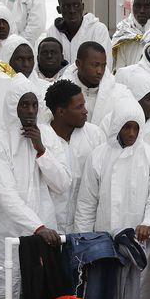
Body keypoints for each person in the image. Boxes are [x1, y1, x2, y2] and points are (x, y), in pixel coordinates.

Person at [0, 76, 71, 299]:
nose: (30, 111)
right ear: (12, 107)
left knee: (41, 297)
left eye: (34, 105)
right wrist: (37, 226)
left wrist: (41, 150)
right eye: (24, 105)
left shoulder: (48, 137)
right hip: (8, 232)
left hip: (44, 234)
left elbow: (62, 183)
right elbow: (5, 193)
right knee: (5, 297)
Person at [75, 99, 150, 237]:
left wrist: (148, 222)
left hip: (140, 238)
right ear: (117, 126)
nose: (132, 133)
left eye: (136, 127)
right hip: (104, 238)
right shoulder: (98, 156)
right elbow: (87, 203)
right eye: (126, 127)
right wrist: (83, 240)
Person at [47, 79, 107, 233]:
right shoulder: (42, 138)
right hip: (49, 228)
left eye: (84, 105)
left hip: (84, 228)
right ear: (61, 111)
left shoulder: (95, 135)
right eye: (79, 107)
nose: (85, 111)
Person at [60, 41, 131, 125]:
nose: (100, 71)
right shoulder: (59, 94)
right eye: (95, 65)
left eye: (103, 65)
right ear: (79, 64)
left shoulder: (121, 94)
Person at [45, 0, 113, 70]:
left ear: (83, 6)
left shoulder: (98, 30)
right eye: (66, 6)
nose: (72, 10)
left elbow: (105, 67)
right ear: (59, 10)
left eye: (76, 5)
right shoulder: (52, 32)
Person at [0, 35, 53, 123]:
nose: (26, 64)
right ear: (7, 59)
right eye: (20, 59)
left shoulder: (47, 90)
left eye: (30, 59)